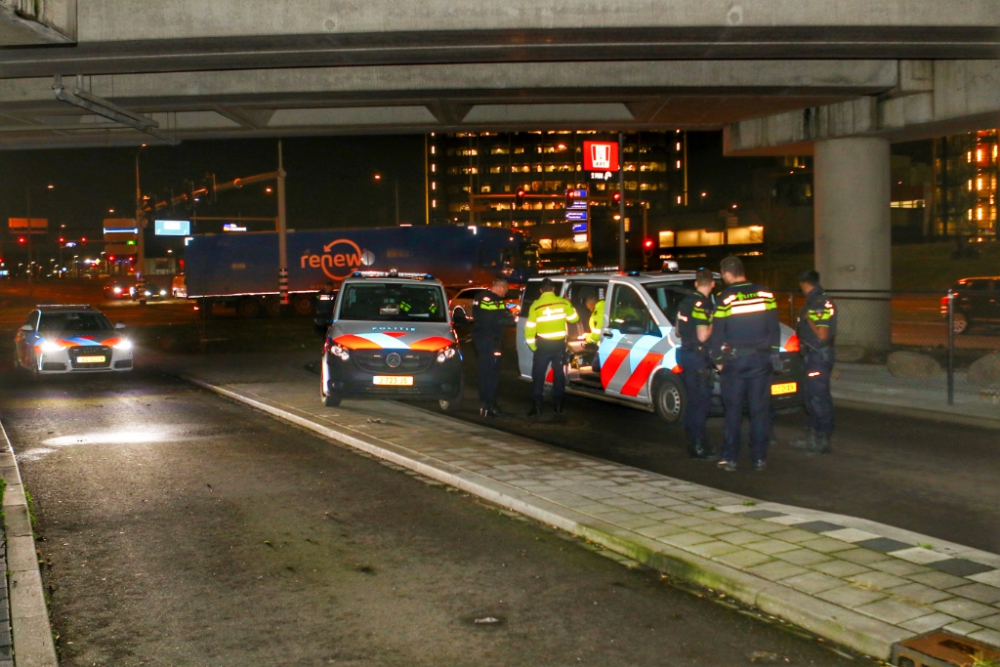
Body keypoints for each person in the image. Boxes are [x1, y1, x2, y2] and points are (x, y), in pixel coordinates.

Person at [710, 256, 780, 472]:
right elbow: (774, 328)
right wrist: (773, 354)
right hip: (760, 360)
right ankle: (759, 458)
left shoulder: (725, 298)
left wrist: (718, 360)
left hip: (735, 362)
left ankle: (730, 458)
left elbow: (717, 334)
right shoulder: (765, 293)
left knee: (733, 411)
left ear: (727, 274)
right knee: (759, 411)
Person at [790, 270, 838, 455]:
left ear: (804, 284)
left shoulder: (818, 304)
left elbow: (822, 334)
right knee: (810, 398)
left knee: (818, 398)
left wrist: (809, 318)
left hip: (818, 357)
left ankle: (822, 439)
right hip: (813, 356)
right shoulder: (818, 300)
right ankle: (811, 436)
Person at [676, 269, 717, 461]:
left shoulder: (685, 302)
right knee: (701, 404)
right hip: (699, 358)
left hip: (686, 355)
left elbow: (678, 331)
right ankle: (698, 446)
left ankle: (693, 441)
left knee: (693, 402)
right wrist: (714, 323)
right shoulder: (703, 305)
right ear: (712, 284)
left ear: (695, 283)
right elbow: (703, 336)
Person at [525, 279, 579, 417]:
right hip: (559, 345)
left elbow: (530, 328)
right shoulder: (563, 302)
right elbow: (574, 319)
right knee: (559, 375)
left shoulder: (536, 306)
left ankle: (537, 406)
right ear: (553, 289)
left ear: (541, 290)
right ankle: (558, 405)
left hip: (543, 345)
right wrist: (570, 304)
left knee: (538, 375)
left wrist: (533, 346)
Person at [472, 278, 513, 418]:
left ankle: (484, 403)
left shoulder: (479, 297)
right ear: (501, 288)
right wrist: (510, 317)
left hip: (480, 339)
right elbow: (501, 320)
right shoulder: (496, 301)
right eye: (505, 291)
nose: (504, 294)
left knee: (483, 372)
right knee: (492, 373)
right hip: (492, 341)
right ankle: (490, 405)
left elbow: (481, 317)